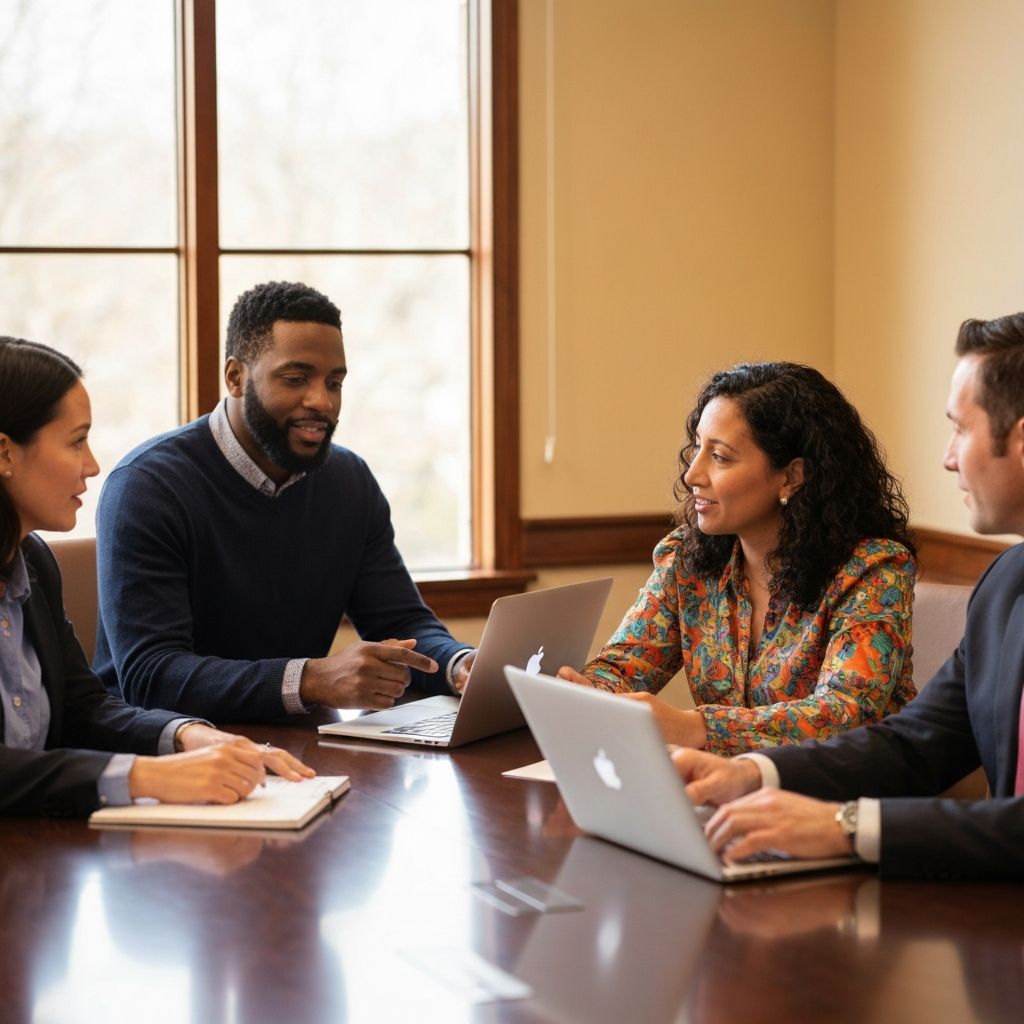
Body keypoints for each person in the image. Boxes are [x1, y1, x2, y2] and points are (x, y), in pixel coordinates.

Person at [671, 313, 1024, 880]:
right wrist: (757, 774)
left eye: (961, 429)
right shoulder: (1008, 583)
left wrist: (847, 826)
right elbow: (916, 746)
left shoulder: (878, 566)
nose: (948, 457)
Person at [94, 281, 475, 721]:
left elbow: (402, 625)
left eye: (334, 382)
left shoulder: (349, 482)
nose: (322, 401)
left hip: (300, 743)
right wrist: (312, 680)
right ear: (235, 377)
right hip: (159, 751)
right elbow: (152, 676)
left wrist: (460, 665)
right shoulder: (147, 487)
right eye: (296, 379)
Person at [0, 336, 312, 817]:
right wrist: (146, 776)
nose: (92, 464)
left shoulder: (35, 563)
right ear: (4, 454)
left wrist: (190, 736)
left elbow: (85, 707)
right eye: (76, 440)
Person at [558, 362, 917, 754]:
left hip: (848, 800)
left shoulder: (873, 570)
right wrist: (572, 690)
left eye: (721, 457)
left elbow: (843, 715)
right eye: (698, 448)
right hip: (731, 794)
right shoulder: (687, 560)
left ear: (791, 477)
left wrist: (693, 727)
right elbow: (622, 670)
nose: (692, 474)